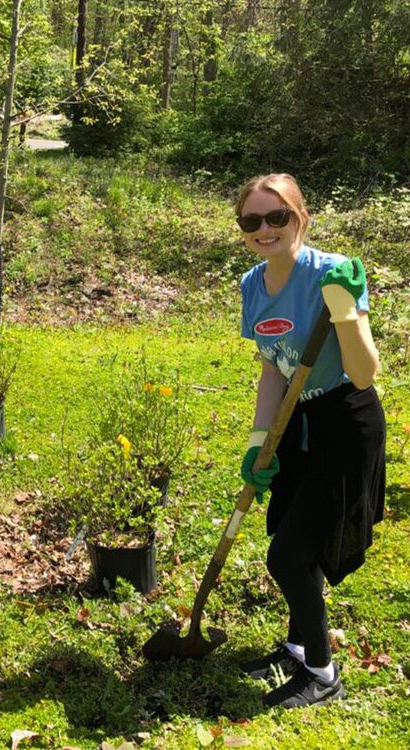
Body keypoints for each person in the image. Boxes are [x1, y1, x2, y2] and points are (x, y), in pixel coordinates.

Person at [235, 173, 385, 709]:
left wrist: (345, 311)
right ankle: (298, 646)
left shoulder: (333, 274)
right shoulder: (253, 284)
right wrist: (260, 441)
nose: (265, 229)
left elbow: (364, 373)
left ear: (302, 217)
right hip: (294, 421)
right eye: (252, 221)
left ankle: (321, 674)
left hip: (345, 421)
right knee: (289, 530)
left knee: (289, 554)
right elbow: (273, 370)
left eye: (278, 217)